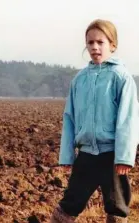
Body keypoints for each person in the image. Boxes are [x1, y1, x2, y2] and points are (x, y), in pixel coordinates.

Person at [50, 19, 139, 223]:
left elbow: (128, 119)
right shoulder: (79, 80)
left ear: (113, 45)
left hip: (112, 156)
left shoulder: (121, 77)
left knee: (116, 207)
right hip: (86, 155)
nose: (95, 47)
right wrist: (66, 156)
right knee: (69, 204)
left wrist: (124, 157)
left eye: (101, 42)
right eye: (90, 43)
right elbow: (69, 118)